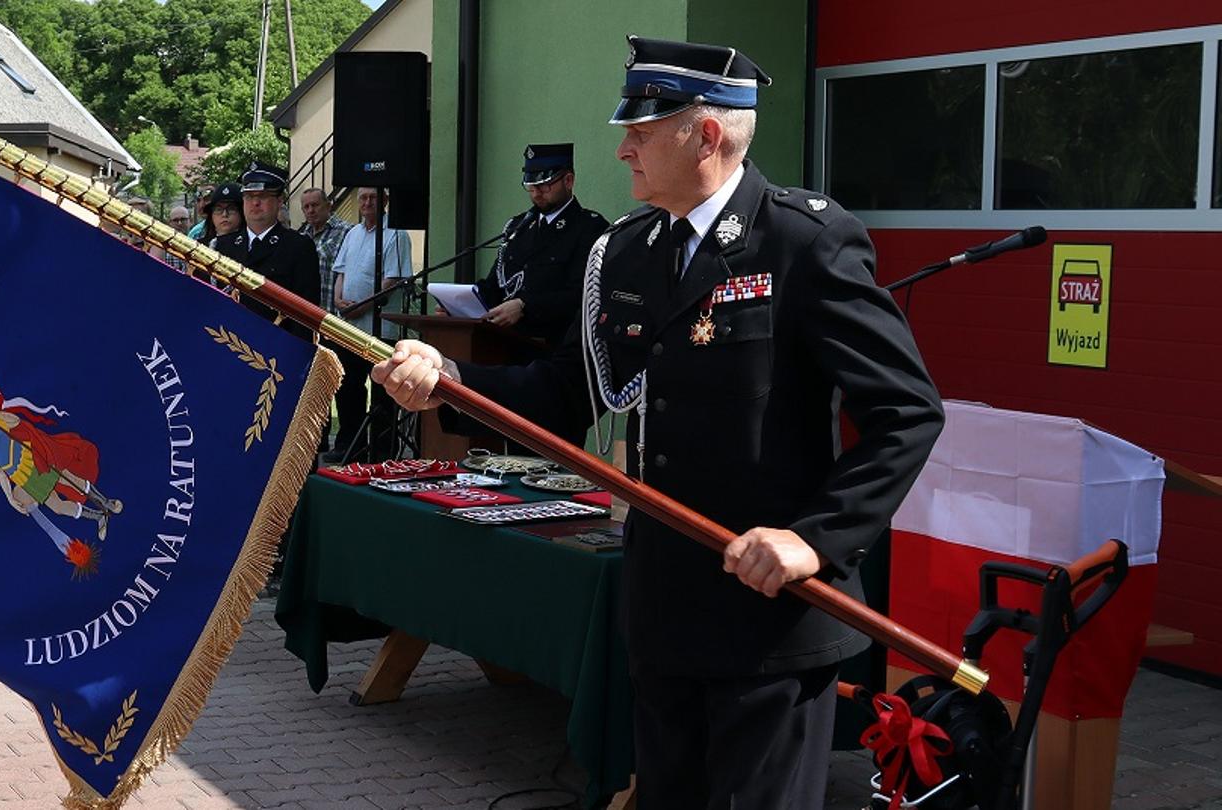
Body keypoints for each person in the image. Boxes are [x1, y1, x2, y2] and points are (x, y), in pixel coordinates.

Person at [370, 36, 944, 808]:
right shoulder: (628, 251)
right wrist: (451, 382)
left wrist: (816, 538)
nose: (623, 150)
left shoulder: (804, 240)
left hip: (768, 616)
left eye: (640, 133)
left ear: (704, 134)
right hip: (663, 607)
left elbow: (906, 412)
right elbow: (565, 390)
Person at [471, 143, 611, 345]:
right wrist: (459, 304)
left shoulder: (589, 228)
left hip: (554, 345)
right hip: (505, 342)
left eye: (544, 184)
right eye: (531, 185)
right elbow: (497, 284)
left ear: (568, 180)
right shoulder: (517, 226)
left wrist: (525, 307)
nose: (536, 193)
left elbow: (583, 295)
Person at [331, 187, 413, 461]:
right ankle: (349, 447)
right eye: (363, 198)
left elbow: (392, 280)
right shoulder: (352, 233)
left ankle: (381, 454)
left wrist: (360, 306)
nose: (366, 203)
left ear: (385, 201)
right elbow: (340, 271)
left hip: (380, 329)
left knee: (383, 394)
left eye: (373, 198)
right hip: (350, 328)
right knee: (347, 388)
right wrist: (339, 299)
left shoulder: (396, 234)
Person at [209, 163, 322, 340]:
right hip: (227, 345)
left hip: (276, 351)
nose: (255, 203)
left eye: (263, 196)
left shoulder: (298, 247)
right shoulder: (222, 246)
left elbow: (305, 315)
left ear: (279, 201)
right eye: (248, 196)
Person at [298, 188, 351, 317]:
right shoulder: (301, 237)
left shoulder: (347, 232)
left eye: (315, 205)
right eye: (306, 207)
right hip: (308, 314)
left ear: (328, 206)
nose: (311, 210)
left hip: (335, 316)